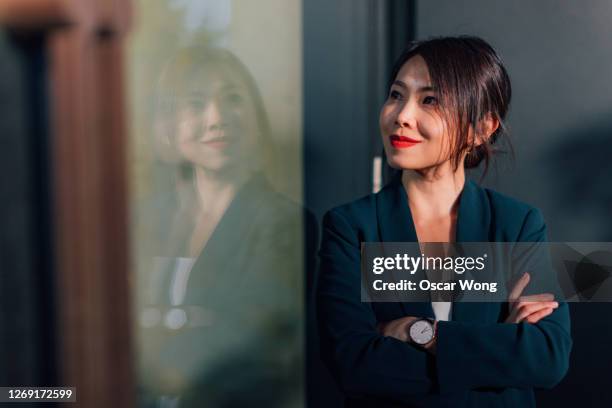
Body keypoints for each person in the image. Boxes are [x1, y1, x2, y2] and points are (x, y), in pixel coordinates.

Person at [316, 36, 572, 407]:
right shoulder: (350, 226)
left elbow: (547, 356)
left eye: (429, 100)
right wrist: (495, 350)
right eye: (395, 94)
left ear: (481, 128)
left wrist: (421, 334)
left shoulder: (517, 224)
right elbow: (353, 363)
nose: (402, 115)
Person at [134, 46, 309, 407]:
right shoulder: (147, 217)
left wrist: (146, 353)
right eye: (195, 104)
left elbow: (252, 342)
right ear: (169, 125)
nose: (216, 118)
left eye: (232, 99)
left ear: (255, 117)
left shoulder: (282, 222)